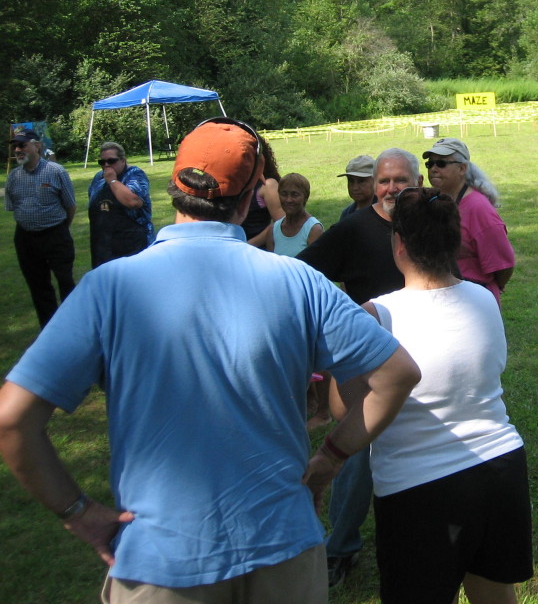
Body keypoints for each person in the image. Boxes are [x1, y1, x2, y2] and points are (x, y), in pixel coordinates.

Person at [0, 117, 420, 604]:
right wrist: (329, 459)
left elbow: (13, 420)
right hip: (285, 550)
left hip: (162, 561)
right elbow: (397, 374)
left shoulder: (108, 288)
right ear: (250, 200)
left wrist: (77, 512)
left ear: (177, 188)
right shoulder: (298, 283)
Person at [351, 186, 531, 603]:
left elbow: (346, 408)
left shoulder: (375, 315)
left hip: (418, 487)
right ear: (455, 241)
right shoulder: (485, 299)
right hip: (500, 469)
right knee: (494, 592)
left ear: (398, 244)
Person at [297, 147, 422, 588]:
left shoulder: (428, 225)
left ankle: (413, 544)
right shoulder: (353, 230)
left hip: (423, 361)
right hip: (365, 366)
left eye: (400, 180)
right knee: (354, 456)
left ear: (418, 183)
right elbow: (302, 275)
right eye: (383, 181)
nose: (391, 189)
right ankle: (340, 548)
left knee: (418, 456)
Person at [422, 137, 515, 303]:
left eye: (441, 164)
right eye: (430, 164)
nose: (434, 169)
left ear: (462, 168)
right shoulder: (436, 200)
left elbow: (503, 266)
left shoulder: (478, 209)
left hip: (474, 301)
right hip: (445, 297)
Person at [5, 128, 77, 327]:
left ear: (36, 146)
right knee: (38, 285)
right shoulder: (13, 177)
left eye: (22, 145)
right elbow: (13, 207)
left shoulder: (56, 171)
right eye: (15, 146)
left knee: (65, 281)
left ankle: (73, 324)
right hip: (26, 238)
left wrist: (61, 228)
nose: (18, 150)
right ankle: (49, 327)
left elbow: (70, 205)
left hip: (55, 234)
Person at [87, 141, 154, 267]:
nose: (106, 165)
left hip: (132, 244)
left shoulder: (135, 175)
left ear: (123, 160)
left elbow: (133, 202)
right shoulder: (98, 179)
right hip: (103, 246)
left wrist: (112, 181)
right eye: (102, 162)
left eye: (111, 161)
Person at [268, 173, 323, 257]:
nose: (288, 200)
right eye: (284, 194)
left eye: (295, 195)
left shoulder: (314, 230)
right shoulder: (273, 230)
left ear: (306, 197)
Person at [240, 134, 283, 241]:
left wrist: (250, 245)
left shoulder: (268, 185)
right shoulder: (233, 183)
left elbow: (282, 223)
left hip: (258, 249)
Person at [338, 154, 376, 222]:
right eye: (351, 181)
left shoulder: (384, 213)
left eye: (361, 181)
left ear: (375, 180)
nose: (355, 188)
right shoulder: (346, 214)